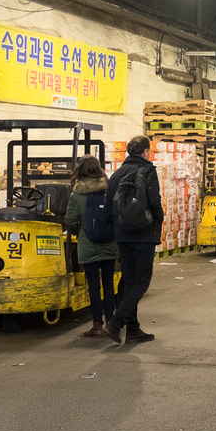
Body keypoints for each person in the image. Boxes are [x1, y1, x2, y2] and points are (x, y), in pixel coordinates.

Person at [103, 135, 164, 345]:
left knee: (129, 281)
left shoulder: (116, 174)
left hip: (123, 235)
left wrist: (118, 230)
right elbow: (155, 201)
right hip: (143, 234)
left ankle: (133, 330)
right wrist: (158, 221)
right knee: (141, 281)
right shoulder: (148, 171)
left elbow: (109, 207)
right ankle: (116, 322)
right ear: (145, 152)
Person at [65, 155, 119, 338]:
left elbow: (70, 221)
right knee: (109, 284)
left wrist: (79, 230)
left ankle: (97, 325)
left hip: (88, 244)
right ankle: (111, 322)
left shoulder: (77, 193)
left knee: (94, 286)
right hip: (110, 243)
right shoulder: (110, 189)